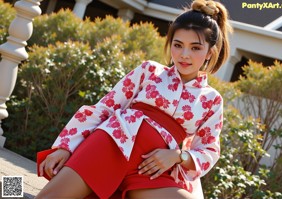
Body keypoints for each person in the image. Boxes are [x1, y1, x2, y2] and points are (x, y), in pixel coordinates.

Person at [35, 0, 232, 198]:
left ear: (210, 52)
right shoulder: (149, 71)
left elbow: (209, 150)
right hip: (109, 146)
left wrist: (178, 156)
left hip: (150, 170)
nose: (184, 55)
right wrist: (65, 147)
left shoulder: (212, 100)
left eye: (195, 48)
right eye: (178, 45)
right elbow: (106, 107)